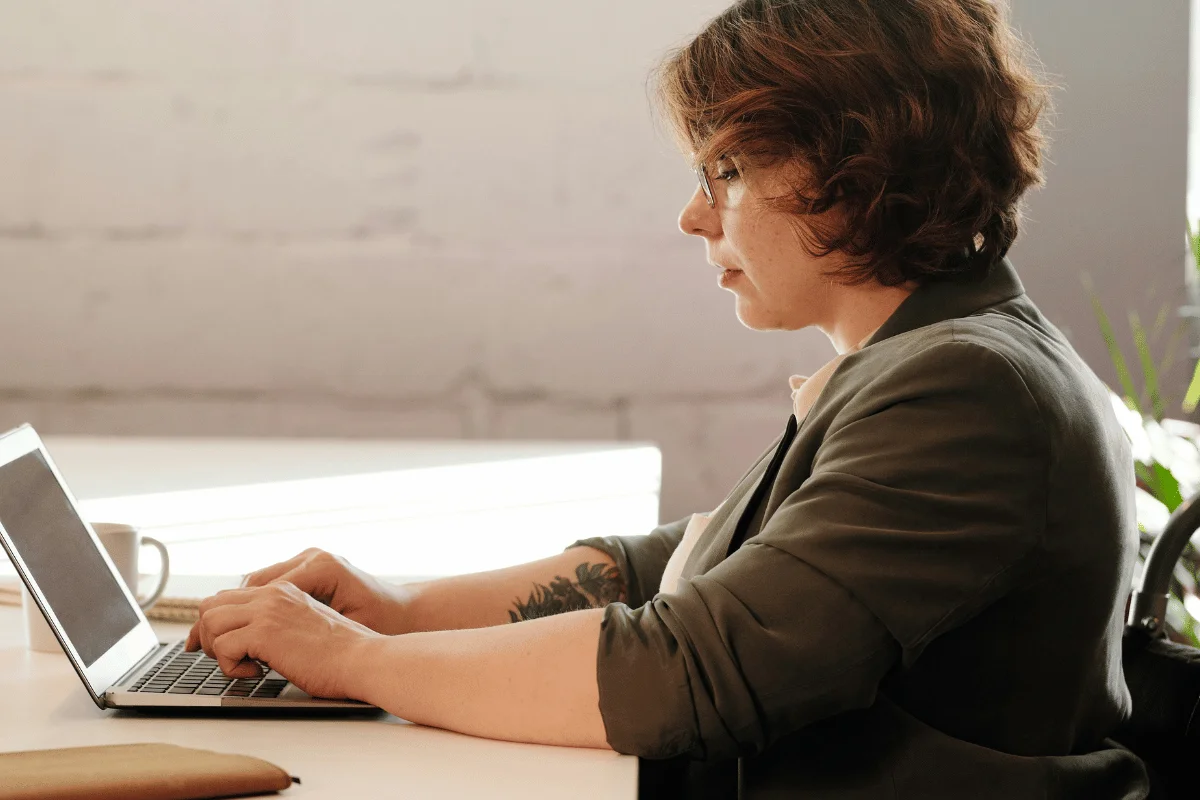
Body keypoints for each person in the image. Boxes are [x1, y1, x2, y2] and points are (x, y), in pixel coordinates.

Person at [186, 1, 1151, 797]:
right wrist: (396, 608)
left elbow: (689, 672)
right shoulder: (939, 357)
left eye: (724, 172)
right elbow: (692, 563)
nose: (692, 214)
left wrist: (352, 661)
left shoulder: (970, 390)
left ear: (849, 171)